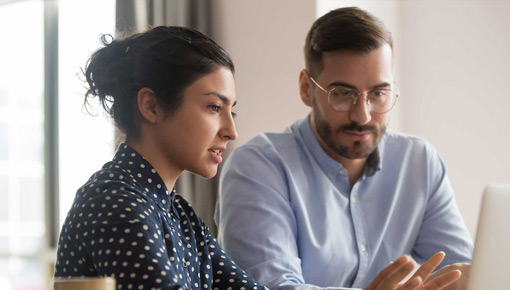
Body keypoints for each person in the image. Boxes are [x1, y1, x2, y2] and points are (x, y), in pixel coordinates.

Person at [215, 7, 472, 290]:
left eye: (378, 93)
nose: (362, 115)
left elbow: (461, 273)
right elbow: (273, 287)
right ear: (306, 88)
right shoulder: (257, 167)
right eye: (343, 94)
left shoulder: (419, 162)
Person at [54, 26, 268, 290]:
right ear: (151, 106)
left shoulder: (182, 215)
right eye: (214, 107)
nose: (231, 132)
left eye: (230, 112)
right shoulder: (112, 202)